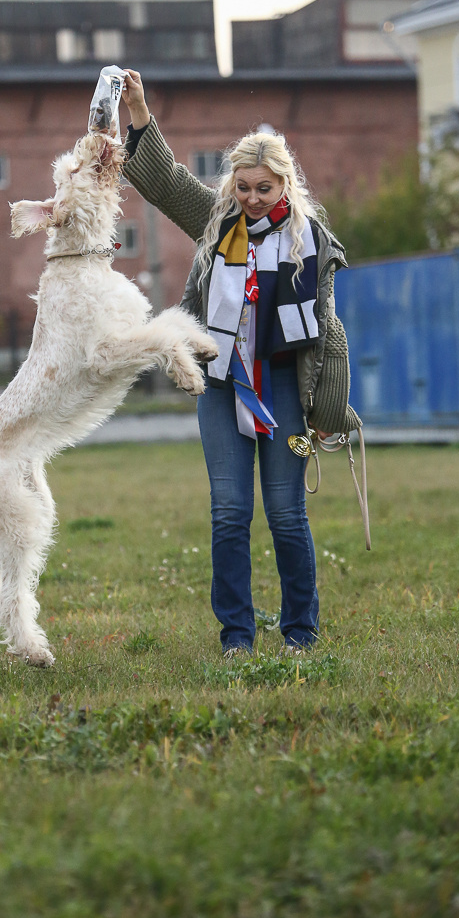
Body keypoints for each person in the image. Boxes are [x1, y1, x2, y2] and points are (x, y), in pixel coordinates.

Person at [120, 69, 349, 657]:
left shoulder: (311, 241)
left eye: (264, 188)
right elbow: (167, 181)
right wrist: (140, 110)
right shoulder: (217, 223)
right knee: (228, 514)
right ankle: (237, 638)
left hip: (285, 393)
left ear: (285, 185)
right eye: (243, 187)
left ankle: (300, 633)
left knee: (287, 514)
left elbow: (326, 334)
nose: (251, 198)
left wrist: (327, 412)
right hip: (222, 386)